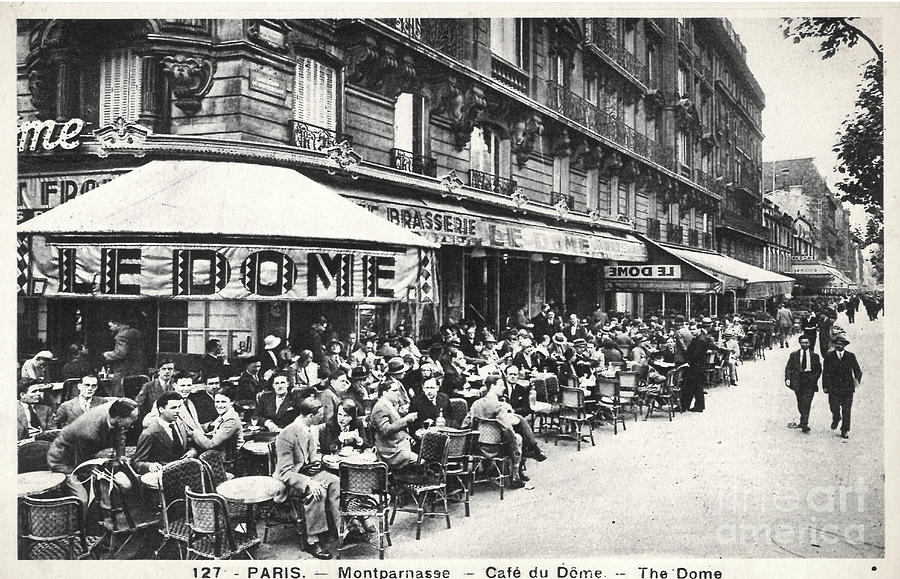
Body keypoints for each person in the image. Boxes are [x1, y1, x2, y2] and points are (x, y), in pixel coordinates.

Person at [274, 398, 340, 559]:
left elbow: (312, 455)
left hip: (308, 472)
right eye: (320, 416)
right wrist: (309, 482)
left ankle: (338, 528)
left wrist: (317, 463)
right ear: (311, 415)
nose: (322, 419)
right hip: (291, 480)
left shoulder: (312, 428)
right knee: (318, 492)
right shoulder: (287, 435)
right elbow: (284, 473)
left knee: (335, 481)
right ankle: (312, 540)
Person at [47, 399, 140, 507]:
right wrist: (98, 474)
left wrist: (120, 456)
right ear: (119, 419)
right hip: (63, 461)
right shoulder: (89, 433)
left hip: (85, 454)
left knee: (110, 483)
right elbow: (83, 464)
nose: (136, 420)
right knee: (83, 500)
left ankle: (105, 509)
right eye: (132, 418)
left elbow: (120, 434)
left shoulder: (113, 413)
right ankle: (86, 519)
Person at [462, 376, 529, 489]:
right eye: (501, 385)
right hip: (496, 448)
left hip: (478, 447)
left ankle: (486, 469)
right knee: (517, 438)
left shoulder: (476, 404)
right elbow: (507, 428)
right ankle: (515, 476)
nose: (503, 388)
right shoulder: (499, 406)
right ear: (492, 386)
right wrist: (513, 441)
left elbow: (465, 424)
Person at [369, 379, 418, 471]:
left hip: (397, 446)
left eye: (398, 390)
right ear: (384, 393)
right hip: (390, 452)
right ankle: (404, 482)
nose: (398, 393)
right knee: (422, 462)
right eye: (394, 391)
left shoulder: (388, 404)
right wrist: (406, 420)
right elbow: (385, 430)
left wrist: (408, 437)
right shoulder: (380, 407)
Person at [822, 333, 863, 440]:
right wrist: (825, 386)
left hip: (847, 387)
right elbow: (825, 372)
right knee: (834, 406)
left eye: (841, 344)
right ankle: (836, 417)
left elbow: (857, 370)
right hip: (833, 387)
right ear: (834, 345)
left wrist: (857, 381)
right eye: (837, 344)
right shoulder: (829, 356)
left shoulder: (850, 356)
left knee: (847, 409)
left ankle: (845, 430)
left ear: (844, 345)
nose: (839, 346)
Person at [191, 390, 245, 460]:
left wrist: (194, 432)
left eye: (223, 402)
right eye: (217, 402)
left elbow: (210, 444)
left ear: (232, 402)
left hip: (229, 461)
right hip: (221, 456)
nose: (219, 406)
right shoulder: (225, 414)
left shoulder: (231, 419)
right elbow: (211, 426)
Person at [784, 335, 822, 433]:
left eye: (806, 343)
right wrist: (788, 378)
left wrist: (813, 379)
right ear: (800, 343)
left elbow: (818, 370)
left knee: (807, 402)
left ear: (809, 343)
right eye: (803, 342)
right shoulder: (794, 355)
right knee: (800, 402)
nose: (804, 344)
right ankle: (803, 419)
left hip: (809, 381)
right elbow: (789, 367)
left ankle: (805, 424)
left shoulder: (815, 356)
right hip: (798, 380)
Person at [102, 319, 145, 398]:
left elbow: (120, 353)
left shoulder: (122, 335)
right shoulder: (136, 332)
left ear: (117, 325)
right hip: (137, 370)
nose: (110, 329)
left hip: (123, 371)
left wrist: (106, 355)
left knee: (118, 396)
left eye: (110, 326)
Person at [683, 318, 714, 412]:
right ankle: (697, 406)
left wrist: (689, 362)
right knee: (696, 386)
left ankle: (688, 406)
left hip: (696, 365)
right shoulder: (703, 336)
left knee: (691, 385)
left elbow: (696, 354)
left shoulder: (700, 338)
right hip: (699, 365)